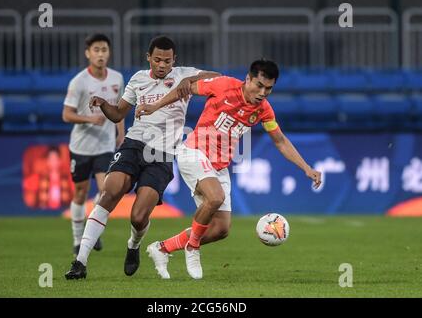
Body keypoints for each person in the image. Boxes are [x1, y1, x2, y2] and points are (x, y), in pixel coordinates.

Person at [136, 59, 322, 279]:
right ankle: (192, 247)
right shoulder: (223, 85)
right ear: (248, 79)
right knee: (215, 197)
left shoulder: (263, 110)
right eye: (259, 85)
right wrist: (154, 106)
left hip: (219, 167)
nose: (263, 92)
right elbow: (185, 89)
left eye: (269, 89)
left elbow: (280, 140)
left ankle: (162, 248)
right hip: (193, 152)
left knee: (220, 229)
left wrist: (306, 168)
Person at [64, 35, 220, 279]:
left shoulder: (183, 74)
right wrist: (104, 104)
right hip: (134, 145)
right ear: (148, 57)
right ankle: (80, 262)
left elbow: (219, 79)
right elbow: (117, 115)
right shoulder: (137, 79)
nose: (162, 65)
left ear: (174, 60)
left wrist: (191, 79)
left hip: (163, 154)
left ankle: (133, 245)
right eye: (157, 59)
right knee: (110, 191)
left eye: (167, 61)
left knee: (138, 217)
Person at [62, 33, 125, 257]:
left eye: (104, 50)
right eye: (96, 50)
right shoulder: (79, 82)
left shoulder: (117, 78)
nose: (100, 54)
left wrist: (120, 132)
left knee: (107, 189)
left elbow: (119, 109)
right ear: (88, 53)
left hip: (105, 146)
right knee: (80, 193)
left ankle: (93, 230)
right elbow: (66, 115)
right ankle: (78, 238)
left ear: (109, 53)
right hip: (81, 147)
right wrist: (89, 119)